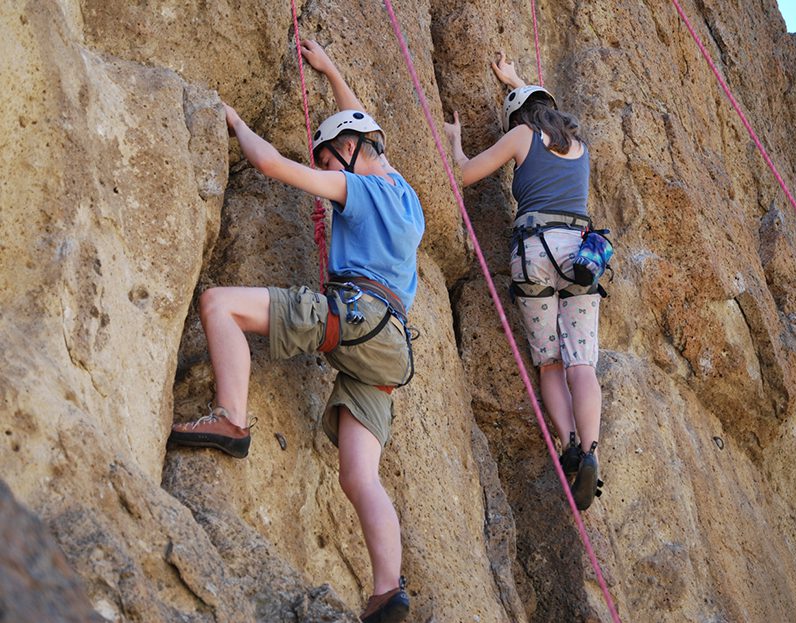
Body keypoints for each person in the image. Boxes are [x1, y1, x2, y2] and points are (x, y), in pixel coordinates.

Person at [167, 39, 422, 623]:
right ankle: (389, 589)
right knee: (360, 476)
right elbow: (364, 130)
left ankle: (231, 418)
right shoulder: (407, 196)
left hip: (355, 318)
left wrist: (233, 121)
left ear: (352, 151)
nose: (327, 168)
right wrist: (330, 68)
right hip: (389, 349)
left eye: (331, 157)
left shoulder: (359, 187)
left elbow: (274, 168)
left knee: (218, 304)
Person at [443, 51, 603, 511]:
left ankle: (569, 443)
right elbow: (537, 102)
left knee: (550, 362)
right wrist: (515, 78)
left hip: (535, 250)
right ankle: (590, 450)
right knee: (582, 364)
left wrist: (456, 142)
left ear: (519, 116)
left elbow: (465, 174)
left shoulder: (520, 134)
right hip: (581, 253)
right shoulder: (579, 146)